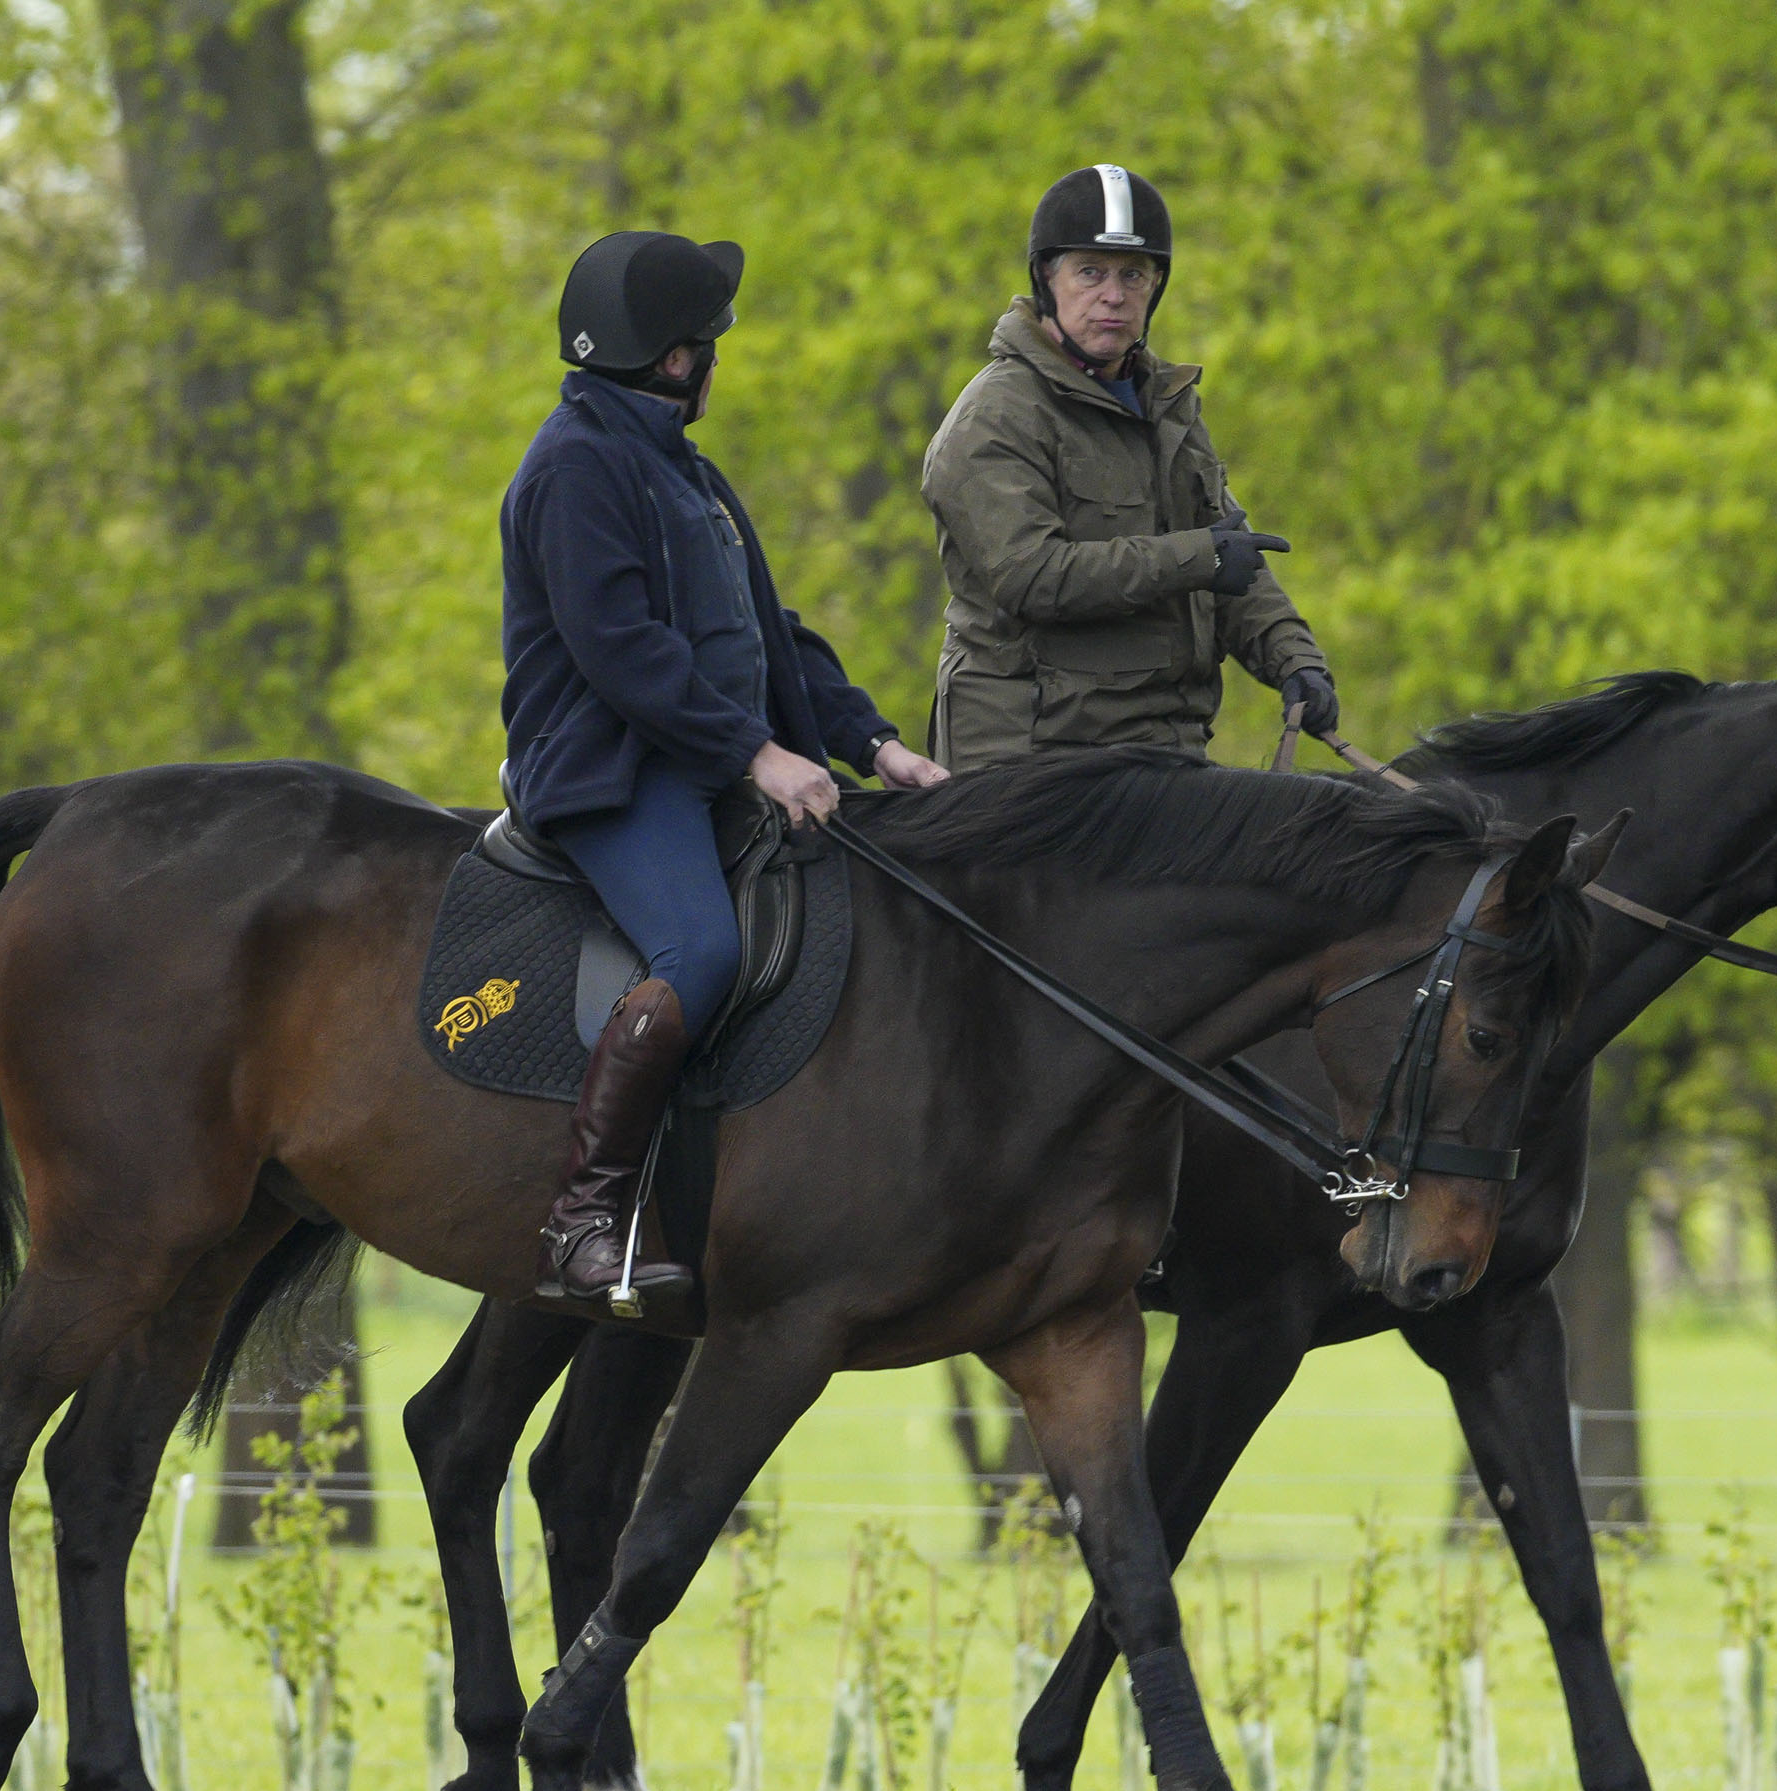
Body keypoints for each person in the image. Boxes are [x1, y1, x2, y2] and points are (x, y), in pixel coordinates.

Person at [503, 229, 948, 1312]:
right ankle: (583, 1221)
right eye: (709, 345)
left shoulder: (680, 469)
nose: (715, 363)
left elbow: (768, 632)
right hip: (613, 769)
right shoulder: (572, 468)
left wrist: (874, 741)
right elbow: (621, 651)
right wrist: (757, 755)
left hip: (701, 757)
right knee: (699, 948)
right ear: (673, 361)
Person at [919, 165, 1336, 770]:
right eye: (1090, 272)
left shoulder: (1166, 406)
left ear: (1156, 288)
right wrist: (1200, 557)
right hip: (1035, 760)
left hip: (1164, 748)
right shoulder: (994, 416)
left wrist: (1295, 660)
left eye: (1133, 276)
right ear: (1046, 280)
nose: (1113, 295)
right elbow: (1033, 577)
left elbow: (1233, 554)